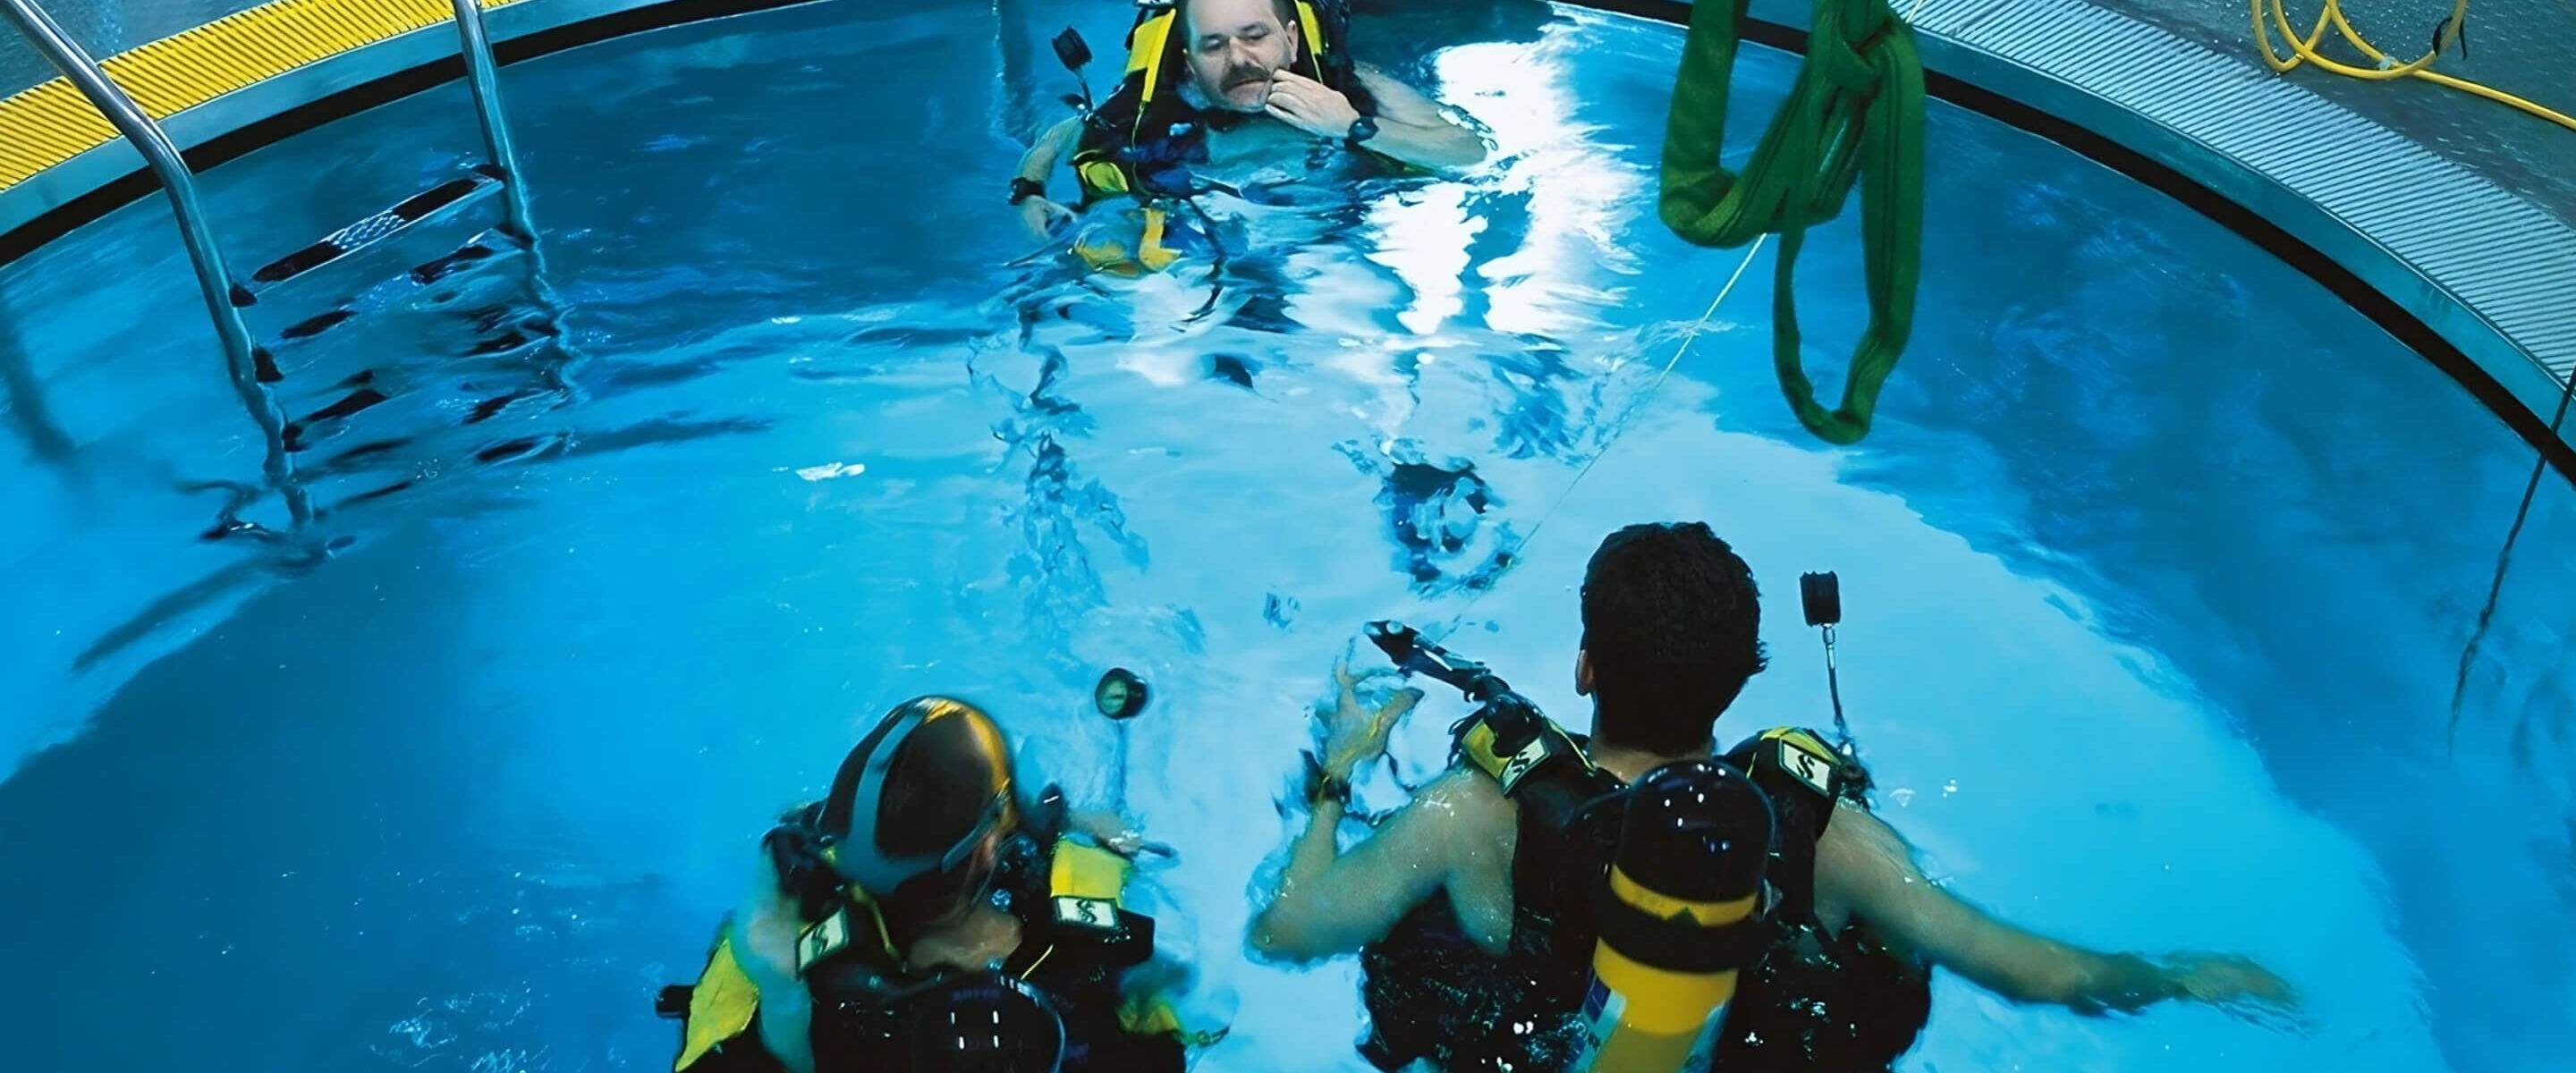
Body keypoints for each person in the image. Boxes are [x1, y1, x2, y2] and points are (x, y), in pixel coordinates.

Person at [1250, 522, 2298, 1072]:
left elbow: (1288, 932)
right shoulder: (1827, 840)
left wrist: (1336, 780)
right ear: (1741, 681)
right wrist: (2185, 978)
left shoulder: (1474, 813)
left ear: (1585, 666)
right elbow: (2033, 971)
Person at [658, 696, 1203, 1073]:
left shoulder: (777, 939)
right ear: (989, 844)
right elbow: (1185, 1004)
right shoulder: (1091, 925)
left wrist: (781, 1003)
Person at [1010, 0, 1487, 241]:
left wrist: (1352, 126)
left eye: (1255, 36)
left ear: (1292, 40)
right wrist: (1029, 196)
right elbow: (1057, 138)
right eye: (1214, 45)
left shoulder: (1350, 85)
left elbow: (1470, 152)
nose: (1238, 59)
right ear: (1190, 61)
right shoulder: (1159, 102)